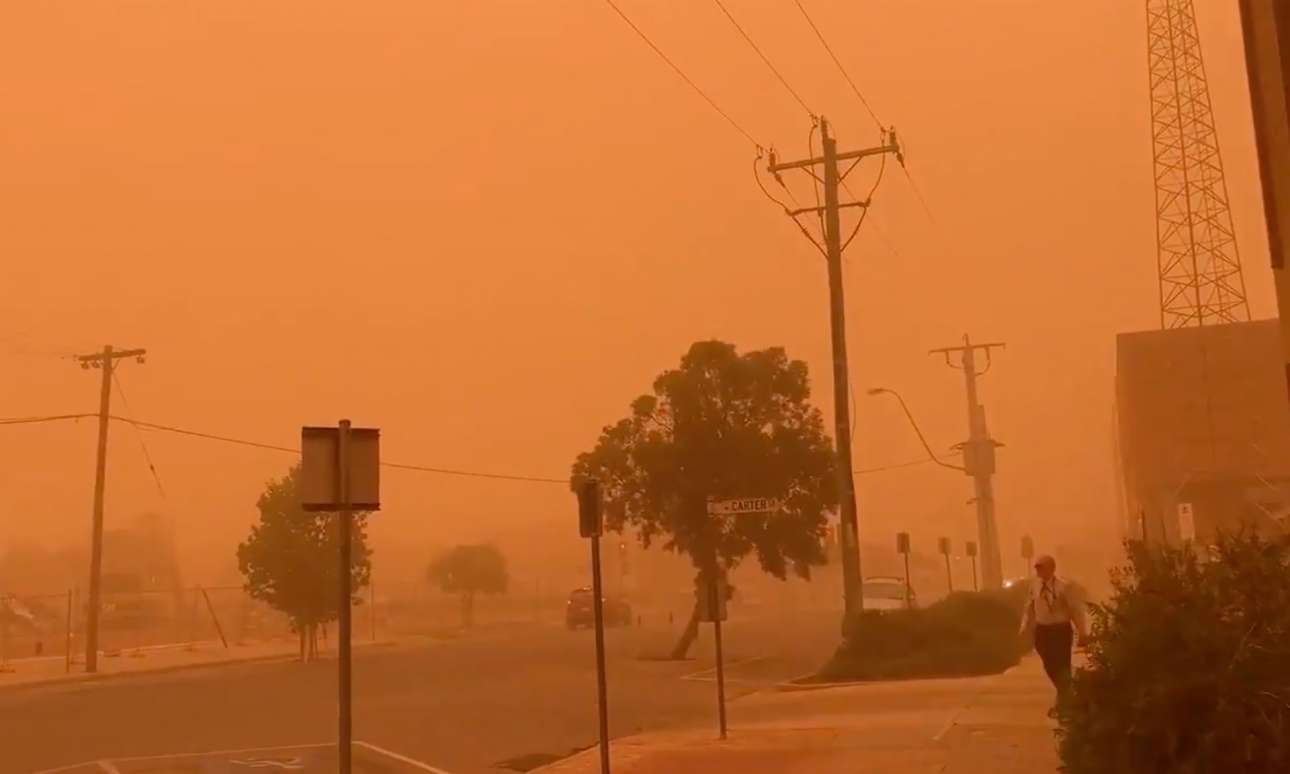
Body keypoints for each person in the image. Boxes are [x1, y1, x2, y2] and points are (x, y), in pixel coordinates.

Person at [1019, 554, 1087, 711]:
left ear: (1051, 568)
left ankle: (1064, 698)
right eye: (1037, 567)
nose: (1038, 570)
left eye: (1041, 567)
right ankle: (1066, 691)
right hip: (1042, 630)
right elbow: (1029, 608)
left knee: (1062, 664)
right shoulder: (1034, 586)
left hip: (1060, 629)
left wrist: (1082, 632)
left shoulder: (1064, 587)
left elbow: (1075, 610)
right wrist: (1024, 627)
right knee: (1049, 664)